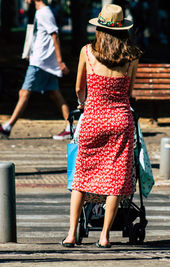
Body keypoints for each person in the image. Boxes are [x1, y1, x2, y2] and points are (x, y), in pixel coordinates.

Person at [61, 4, 141, 248]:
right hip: (120, 121)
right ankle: (105, 235)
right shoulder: (132, 57)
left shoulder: (87, 52)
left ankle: (72, 233)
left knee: (82, 177)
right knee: (115, 179)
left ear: (99, 28)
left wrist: (85, 102)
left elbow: (78, 88)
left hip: (93, 119)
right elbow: (129, 91)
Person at [0, 0, 71, 140]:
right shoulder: (40, 11)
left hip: (40, 62)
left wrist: (59, 61)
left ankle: (7, 127)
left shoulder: (45, 12)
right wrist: (30, 51)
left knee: (24, 92)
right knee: (55, 94)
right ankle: (70, 128)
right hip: (41, 60)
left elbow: (54, 35)